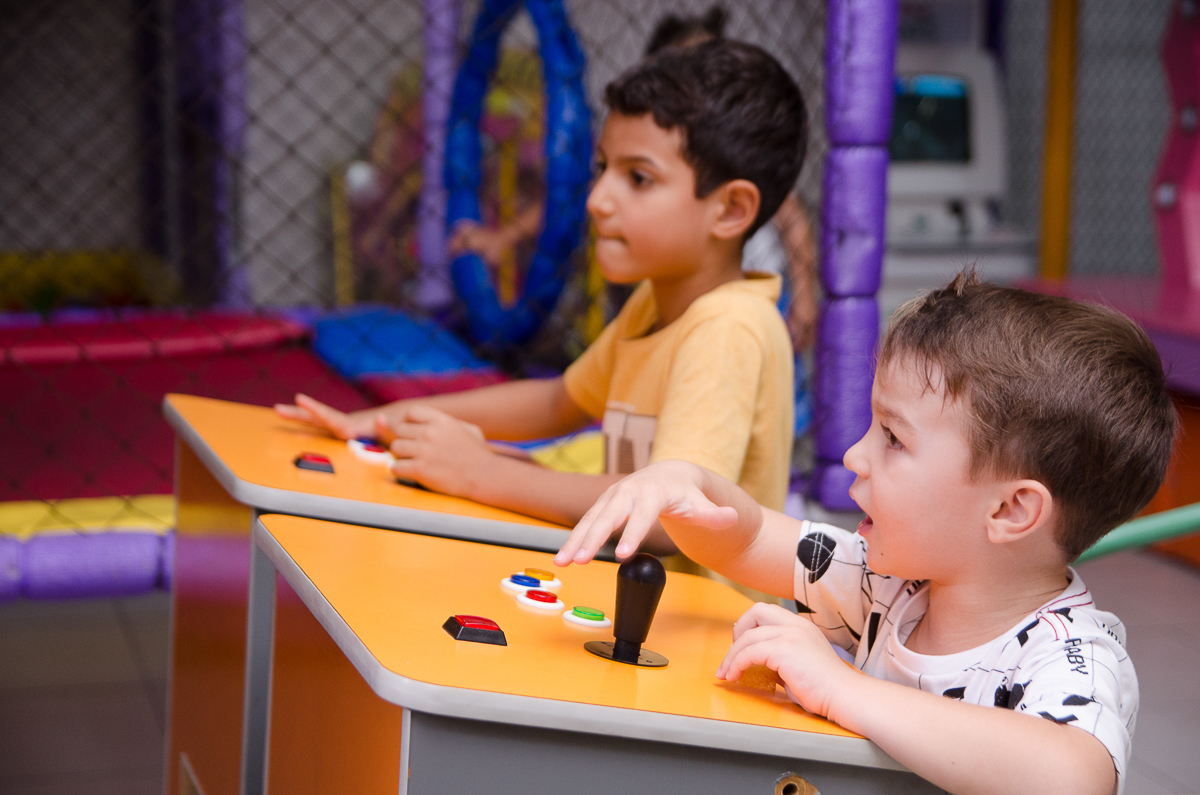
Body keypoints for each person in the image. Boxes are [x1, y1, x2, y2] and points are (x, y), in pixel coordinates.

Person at [554, 272, 1177, 795]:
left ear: (1011, 511)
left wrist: (841, 688)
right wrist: (681, 481)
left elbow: (1071, 776)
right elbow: (743, 540)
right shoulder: (889, 585)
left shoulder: (1071, 657)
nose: (856, 456)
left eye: (893, 438)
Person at [276, 39, 806, 541]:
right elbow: (558, 402)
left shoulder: (729, 328)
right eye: (603, 169)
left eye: (638, 178)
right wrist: (382, 421)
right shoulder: (658, 302)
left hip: (706, 630)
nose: (598, 198)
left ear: (731, 210)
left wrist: (481, 472)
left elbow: (671, 518)